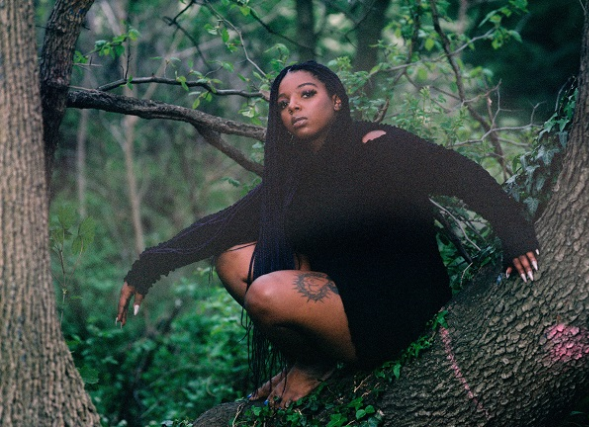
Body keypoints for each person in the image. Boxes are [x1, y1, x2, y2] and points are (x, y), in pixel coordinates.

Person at [116, 61, 539, 407]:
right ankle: (312, 360)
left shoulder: (380, 146)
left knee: (265, 292)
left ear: (336, 100)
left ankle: (316, 367)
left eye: (306, 94)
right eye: (283, 104)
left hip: (400, 304)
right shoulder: (296, 174)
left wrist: (515, 236)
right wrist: (149, 266)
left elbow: (463, 175)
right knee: (230, 258)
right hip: (343, 292)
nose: (293, 108)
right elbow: (226, 223)